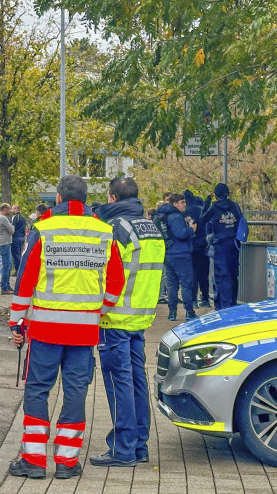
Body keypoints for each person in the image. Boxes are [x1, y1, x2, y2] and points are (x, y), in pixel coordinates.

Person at [7, 175, 126, 480]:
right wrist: (99, 310)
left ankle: (33, 460)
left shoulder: (43, 230)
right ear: (85, 199)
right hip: (84, 330)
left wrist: (17, 321)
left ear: (58, 198)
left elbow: (25, 279)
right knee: (75, 392)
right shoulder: (104, 232)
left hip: (46, 328)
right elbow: (116, 283)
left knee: (37, 389)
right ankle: (67, 461)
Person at [91, 177, 165, 467]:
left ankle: (122, 449)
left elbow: (108, 273)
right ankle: (139, 446)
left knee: (118, 382)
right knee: (136, 381)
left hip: (115, 317)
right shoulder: (151, 227)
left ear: (111, 198)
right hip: (141, 316)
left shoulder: (116, 229)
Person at [154, 194, 197, 320]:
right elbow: (181, 233)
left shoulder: (164, 215)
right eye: (182, 202)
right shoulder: (176, 216)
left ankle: (172, 312)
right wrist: (191, 230)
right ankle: (189, 312)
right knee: (186, 283)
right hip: (181, 254)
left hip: (169, 253)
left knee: (172, 284)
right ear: (175, 204)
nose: (185, 204)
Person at [203, 183, 245, 309]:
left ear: (216, 195)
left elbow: (203, 219)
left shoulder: (214, 207)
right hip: (234, 244)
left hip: (220, 245)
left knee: (222, 275)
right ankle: (233, 301)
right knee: (233, 273)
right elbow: (241, 220)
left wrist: (206, 203)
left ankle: (223, 305)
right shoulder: (235, 206)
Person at [183, 190, 211, 308]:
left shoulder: (185, 212)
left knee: (192, 275)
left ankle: (193, 300)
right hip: (203, 246)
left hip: (190, 247)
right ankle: (205, 299)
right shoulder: (201, 209)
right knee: (204, 274)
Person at [0, 203, 15, 293]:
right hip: (4, 244)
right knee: (6, 266)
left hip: (3, 244)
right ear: (5, 209)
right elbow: (12, 230)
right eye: (9, 209)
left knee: (9, 265)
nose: (10, 211)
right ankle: (4, 288)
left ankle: (7, 285)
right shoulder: (3, 218)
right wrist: (12, 226)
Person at [11, 204, 26, 270]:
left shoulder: (15, 217)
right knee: (20, 253)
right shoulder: (23, 218)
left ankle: (18, 270)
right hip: (22, 237)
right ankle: (20, 269)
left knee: (16, 255)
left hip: (16, 237)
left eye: (13, 209)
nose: (12, 210)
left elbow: (13, 228)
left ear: (16, 209)